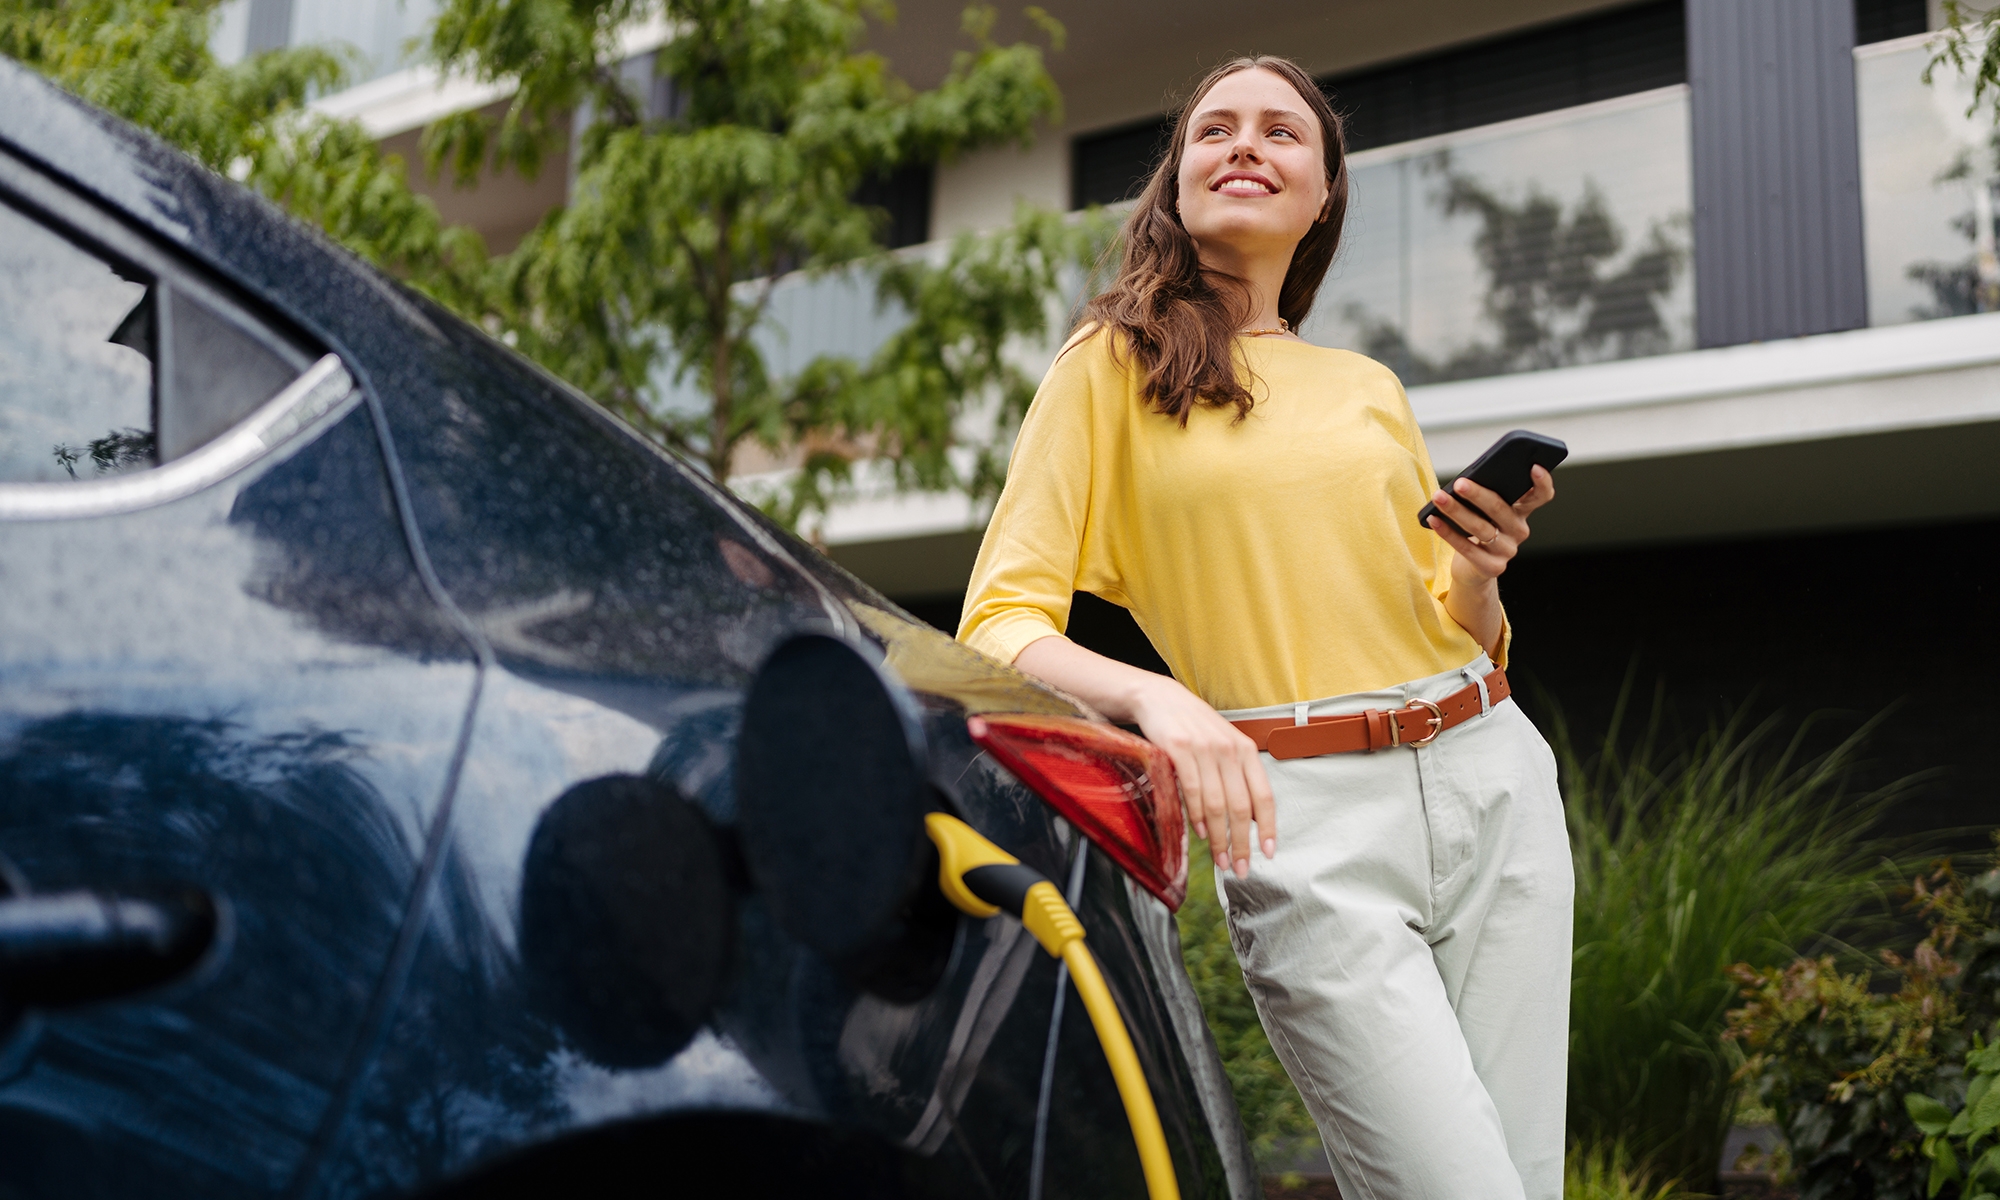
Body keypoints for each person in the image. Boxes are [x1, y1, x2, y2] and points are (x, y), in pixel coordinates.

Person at [956, 55, 1572, 1200]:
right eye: (1214, 130)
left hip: (1491, 779)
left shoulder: (1365, 384)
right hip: (1307, 823)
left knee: (1523, 1183)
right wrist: (1158, 698)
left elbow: (1434, 618)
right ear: (1178, 181)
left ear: (1322, 191)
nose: (1243, 144)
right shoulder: (1107, 368)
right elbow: (996, 624)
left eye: (1280, 132)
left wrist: (1480, 576)